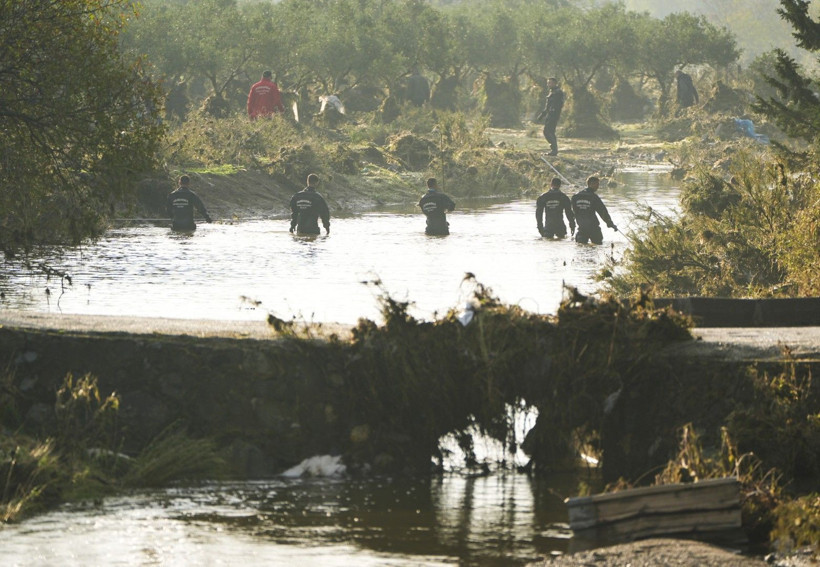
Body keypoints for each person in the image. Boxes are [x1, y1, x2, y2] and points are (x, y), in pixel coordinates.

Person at [571, 176, 618, 245]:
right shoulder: (594, 197)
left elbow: (574, 212)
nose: (598, 186)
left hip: (582, 227)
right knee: (597, 245)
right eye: (597, 184)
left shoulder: (575, 197)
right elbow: (603, 212)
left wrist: (572, 223)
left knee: (581, 246)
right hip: (593, 228)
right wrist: (610, 223)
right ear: (591, 184)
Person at [536, 77, 565, 156]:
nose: (548, 84)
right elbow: (547, 106)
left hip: (554, 115)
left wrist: (553, 112)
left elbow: (559, 105)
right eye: (548, 83)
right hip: (550, 114)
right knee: (549, 132)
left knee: (547, 131)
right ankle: (554, 150)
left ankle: (554, 150)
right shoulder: (552, 92)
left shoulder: (558, 92)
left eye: (550, 83)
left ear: (555, 83)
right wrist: (542, 115)